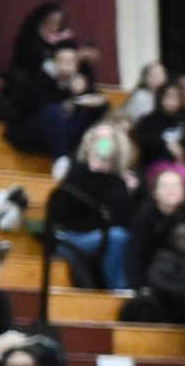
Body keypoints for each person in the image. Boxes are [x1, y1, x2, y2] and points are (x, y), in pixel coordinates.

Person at [48, 124, 135, 291]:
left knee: (121, 236)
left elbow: (124, 218)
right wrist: (92, 170)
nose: (101, 144)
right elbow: (66, 215)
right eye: (96, 138)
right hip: (73, 237)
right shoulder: (77, 172)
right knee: (118, 236)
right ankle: (119, 288)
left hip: (103, 236)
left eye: (106, 140)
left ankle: (123, 288)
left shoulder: (118, 181)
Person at [131, 82, 185, 180]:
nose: (171, 101)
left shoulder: (184, 120)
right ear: (160, 98)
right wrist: (165, 144)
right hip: (153, 165)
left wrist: (182, 153)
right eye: (168, 97)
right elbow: (143, 142)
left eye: (175, 98)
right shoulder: (149, 120)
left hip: (179, 167)